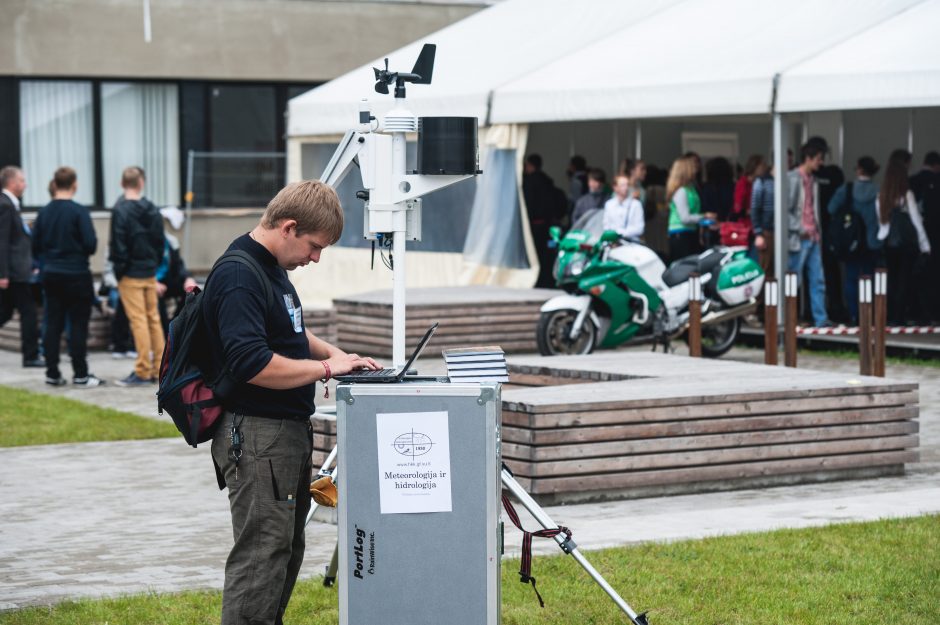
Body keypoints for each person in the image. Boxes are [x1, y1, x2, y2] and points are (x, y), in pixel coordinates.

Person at [205, 180, 379, 625]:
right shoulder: (240, 274)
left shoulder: (270, 266)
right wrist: (325, 371)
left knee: (283, 549)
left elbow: (289, 330)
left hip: (281, 433)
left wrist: (334, 354)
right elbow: (252, 363)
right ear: (288, 227)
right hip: (258, 435)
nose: (316, 258)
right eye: (315, 246)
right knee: (262, 555)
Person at [31, 167, 103, 387]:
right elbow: (90, 244)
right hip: (77, 274)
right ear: (75, 184)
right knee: (78, 324)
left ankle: (52, 372)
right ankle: (80, 373)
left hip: (51, 274)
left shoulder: (43, 213)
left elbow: (35, 247)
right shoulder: (79, 212)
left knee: (52, 323)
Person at [109, 166, 166, 386]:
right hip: (149, 270)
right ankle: (160, 367)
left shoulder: (120, 209)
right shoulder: (151, 208)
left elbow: (118, 243)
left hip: (130, 272)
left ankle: (142, 370)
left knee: (139, 320)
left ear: (122, 184)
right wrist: (154, 263)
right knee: (153, 319)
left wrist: (119, 270)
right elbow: (160, 241)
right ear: (141, 183)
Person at [827, 157, 883, 324]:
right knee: (871, 278)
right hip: (873, 241)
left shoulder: (847, 189)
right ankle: (870, 316)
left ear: (858, 169)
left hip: (851, 241)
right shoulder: (878, 190)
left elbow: (831, 208)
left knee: (851, 278)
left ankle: (853, 314)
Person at [877, 153, 931, 325]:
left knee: (891, 280)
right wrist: (925, 245)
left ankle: (891, 316)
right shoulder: (906, 195)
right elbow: (916, 221)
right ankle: (900, 316)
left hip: (887, 243)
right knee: (905, 280)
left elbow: (882, 223)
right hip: (906, 245)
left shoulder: (881, 196)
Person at [0, 166, 42, 367]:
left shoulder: (12, 205)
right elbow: (2, 241)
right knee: (28, 312)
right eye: (22, 181)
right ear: (13, 183)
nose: (25, 185)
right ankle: (30, 356)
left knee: (6, 312)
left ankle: (31, 355)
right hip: (15, 273)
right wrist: (3, 273)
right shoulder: (6, 205)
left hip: (19, 270)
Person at [787, 141, 831, 328]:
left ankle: (820, 319)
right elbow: (784, 210)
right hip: (800, 237)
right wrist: (799, 228)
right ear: (808, 158)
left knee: (817, 279)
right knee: (794, 280)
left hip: (813, 236)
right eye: (819, 159)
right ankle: (788, 318)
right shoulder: (792, 178)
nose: (821, 163)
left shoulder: (812, 180)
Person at [522, 154, 566, 288]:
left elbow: (528, 205)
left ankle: (538, 280)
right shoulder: (548, 182)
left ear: (530, 165)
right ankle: (549, 280)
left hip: (535, 226)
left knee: (535, 254)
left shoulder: (529, 183)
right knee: (548, 254)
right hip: (550, 226)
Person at [154, 206, 197, 333]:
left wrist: (188, 278)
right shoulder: (145, 242)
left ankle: (177, 326)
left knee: (192, 292)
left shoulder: (170, 241)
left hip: (168, 280)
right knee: (156, 294)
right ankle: (164, 334)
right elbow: (141, 267)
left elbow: (179, 265)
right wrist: (152, 282)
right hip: (151, 282)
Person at [909, 151, 940, 322]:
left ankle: (913, 310)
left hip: (913, 238)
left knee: (914, 276)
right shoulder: (937, 181)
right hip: (935, 236)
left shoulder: (912, 181)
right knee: (933, 276)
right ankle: (932, 312)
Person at [666, 155, 714, 261]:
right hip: (680, 234)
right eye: (692, 167)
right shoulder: (681, 191)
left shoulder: (690, 188)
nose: (696, 170)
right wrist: (704, 216)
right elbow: (685, 218)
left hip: (689, 232)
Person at [603, 173, 644, 240]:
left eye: (627, 185)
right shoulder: (609, 204)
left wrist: (620, 233)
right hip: (614, 243)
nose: (626, 188)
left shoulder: (636, 204)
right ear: (615, 187)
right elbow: (606, 226)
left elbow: (640, 228)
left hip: (632, 243)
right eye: (622, 185)